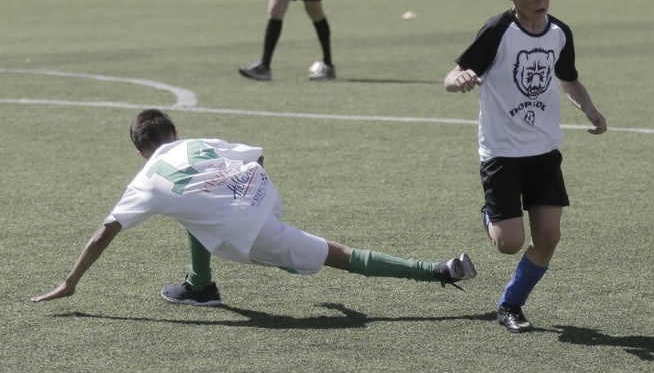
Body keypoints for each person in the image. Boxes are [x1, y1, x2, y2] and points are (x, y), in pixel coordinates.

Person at [30, 109, 476, 306]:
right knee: (195, 210)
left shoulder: (147, 179)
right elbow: (257, 155)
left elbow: (103, 233)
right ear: (174, 132)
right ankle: (200, 286)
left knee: (337, 255)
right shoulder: (198, 143)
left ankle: (435, 270)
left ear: (141, 153)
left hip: (253, 232)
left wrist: (70, 283)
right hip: (263, 192)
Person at [443, 0, 607, 333]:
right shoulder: (498, 31)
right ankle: (490, 213)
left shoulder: (559, 33)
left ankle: (510, 305)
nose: (540, 0)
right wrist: (460, 80)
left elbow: (568, 78)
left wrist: (589, 108)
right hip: (501, 152)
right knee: (509, 243)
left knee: (549, 235)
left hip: (544, 150)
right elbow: (452, 75)